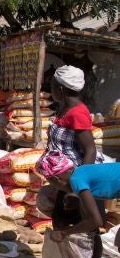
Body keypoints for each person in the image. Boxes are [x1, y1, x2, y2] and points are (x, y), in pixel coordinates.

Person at [36, 153, 117, 258]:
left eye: (50, 181)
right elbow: (89, 217)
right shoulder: (80, 173)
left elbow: (96, 221)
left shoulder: (77, 181)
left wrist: (65, 233)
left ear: (56, 179)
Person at [37, 64, 101, 217]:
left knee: (80, 223)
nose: (50, 89)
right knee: (61, 222)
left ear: (61, 89)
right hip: (66, 180)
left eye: (52, 86)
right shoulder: (64, 109)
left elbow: (90, 150)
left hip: (76, 180)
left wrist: (79, 187)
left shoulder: (77, 113)